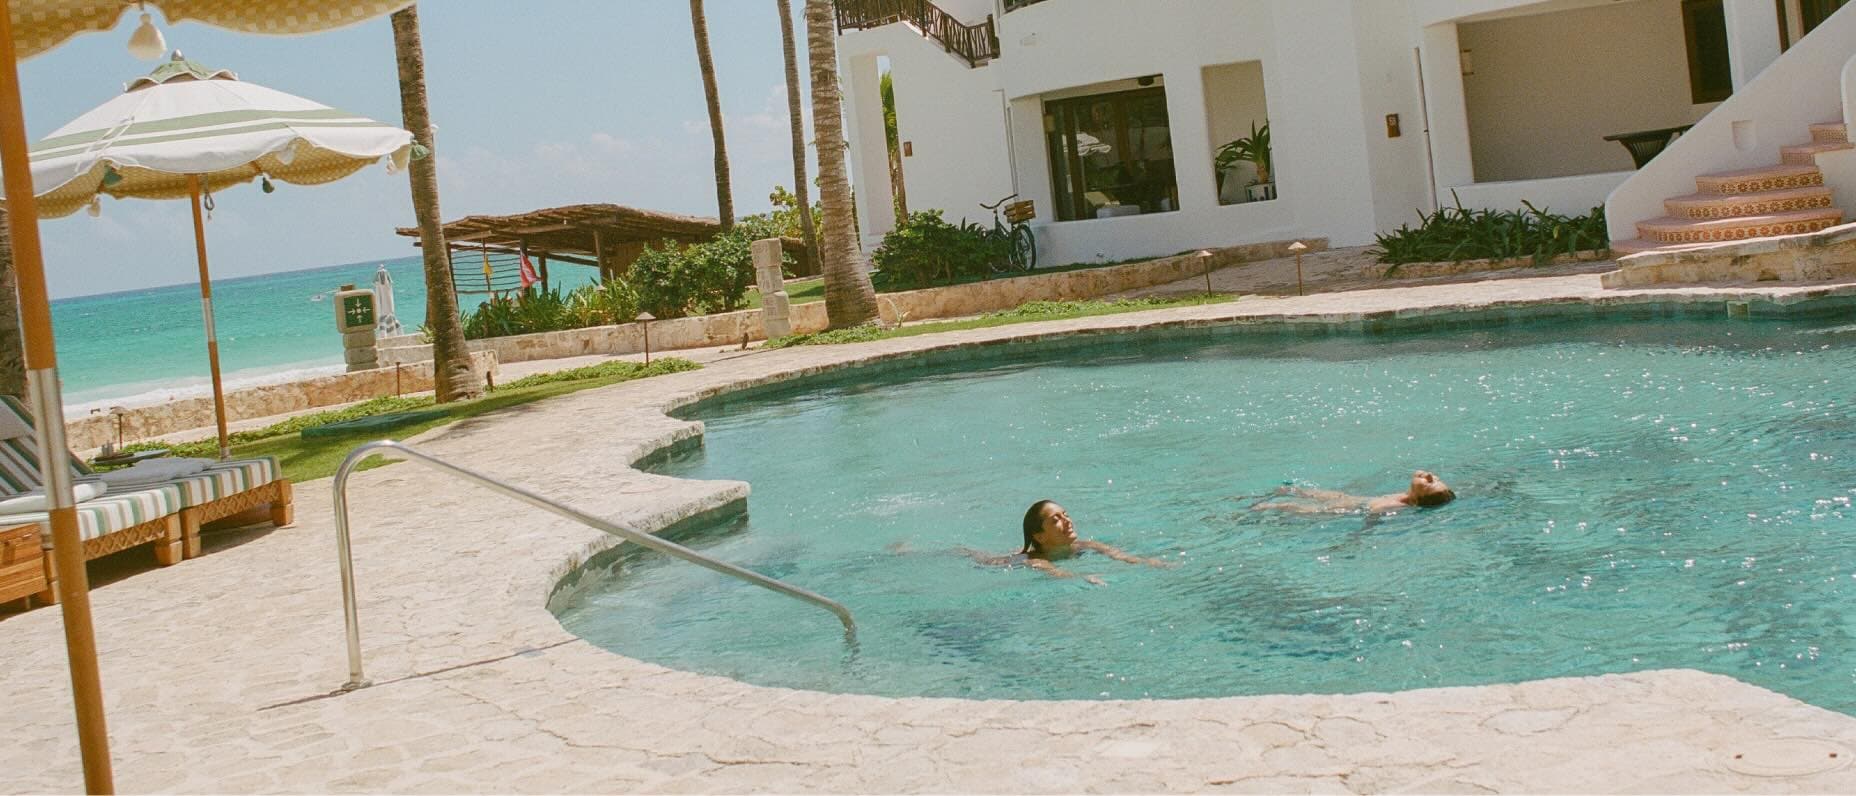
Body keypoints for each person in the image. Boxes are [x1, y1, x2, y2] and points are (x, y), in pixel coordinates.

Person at [967, 499, 1173, 584]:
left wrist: (1152, 563)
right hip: (989, 563)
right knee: (978, 556)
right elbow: (1058, 573)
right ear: (1039, 536)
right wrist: (1084, 577)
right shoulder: (1035, 560)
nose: (1067, 521)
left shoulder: (1087, 546)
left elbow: (1121, 556)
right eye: (1056, 519)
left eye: (1065, 515)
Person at [1251, 470, 1456, 515]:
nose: (1430, 476)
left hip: (1348, 508)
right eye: (1436, 480)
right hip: (1354, 500)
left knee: (1288, 507)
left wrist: (1356, 539)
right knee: (1302, 491)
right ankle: (1282, 492)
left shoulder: (1394, 505)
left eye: (1429, 483)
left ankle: (1260, 508)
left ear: (1417, 497)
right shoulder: (1408, 495)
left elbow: (1373, 515)